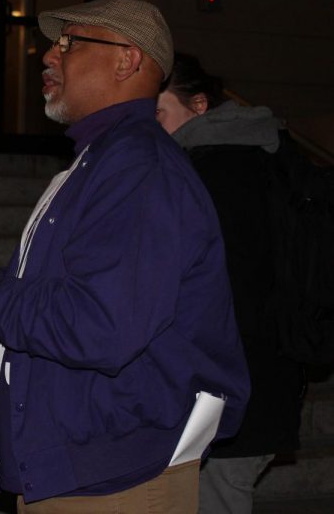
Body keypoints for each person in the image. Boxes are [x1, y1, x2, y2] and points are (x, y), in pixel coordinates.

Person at [0, 0, 250, 513]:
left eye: (71, 43)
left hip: (114, 480)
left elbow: (100, 327)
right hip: (81, 469)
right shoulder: (100, 162)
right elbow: (64, 311)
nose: (49, 57)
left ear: (126, 60)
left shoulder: (137, 168)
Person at [157, 53, 303, 514]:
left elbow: (227, 291)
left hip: (239, 383)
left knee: (218, 496)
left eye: (158, 113)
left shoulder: (220, 169)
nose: (149, 128)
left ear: (199, 105)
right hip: (254, 376)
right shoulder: (250, 153)